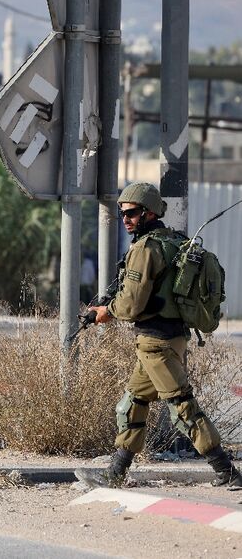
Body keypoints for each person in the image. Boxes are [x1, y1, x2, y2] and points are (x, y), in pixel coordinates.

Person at [75, 182, 242, 489]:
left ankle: (227, 471)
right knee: (133, 404)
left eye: (132, 214)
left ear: (149, 213)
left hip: (156, 344)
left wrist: (103, 312)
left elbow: (131, 304)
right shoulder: (174, 241)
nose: (126, 219)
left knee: (181, 405)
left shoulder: (145, 249)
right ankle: (116, 473)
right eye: (123, 213)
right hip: (167, 339)